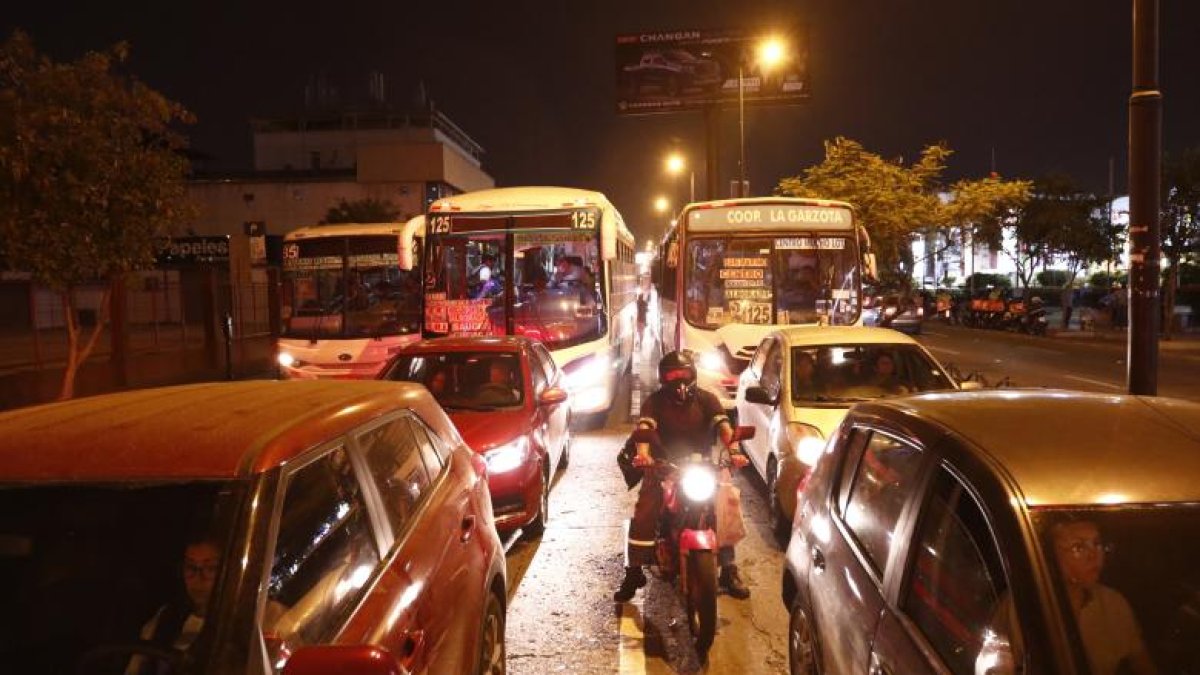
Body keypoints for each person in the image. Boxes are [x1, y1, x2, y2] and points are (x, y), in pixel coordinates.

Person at [613, 351, 752, 602]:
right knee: (646, 509)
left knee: (726, 504)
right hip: (663, 466)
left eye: (683, 375)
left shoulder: (707, 399)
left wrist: (734, 451)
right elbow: (644, 429)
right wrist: (644, 456)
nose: (679, 382)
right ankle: (633, 572)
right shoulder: (654, 402)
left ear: (693, 375)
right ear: (663, 379)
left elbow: (724, 427)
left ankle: (729, 569)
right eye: (672, 376)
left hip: (702, 465)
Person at [1049, 518, 1156, 674]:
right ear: (1052, 556)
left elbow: (1143, 666)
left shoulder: (1113, 603)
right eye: (1078, 547)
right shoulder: (1021, 608)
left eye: (1097, 544)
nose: (1094, 556)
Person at [126, 535, 221, 675]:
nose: (198, 578)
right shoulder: (167, 617)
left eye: (210, 568)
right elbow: (135, 667)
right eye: (191, 567)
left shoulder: (229, 628)